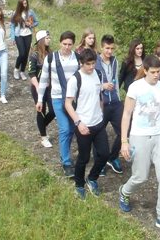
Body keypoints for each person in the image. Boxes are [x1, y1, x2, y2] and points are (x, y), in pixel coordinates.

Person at [118, 55, 160, 237]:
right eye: (153, 72)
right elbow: (127, 114)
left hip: (159, 135)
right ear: (145, 70)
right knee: (141, 176)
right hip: (139, 136)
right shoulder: (135, 87)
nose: (157, 75)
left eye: (159, 71)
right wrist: (124, 141)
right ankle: (124, 192)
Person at [64, 48, 110, 199]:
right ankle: (79, 185)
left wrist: (101, 112)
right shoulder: (75, 79)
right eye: (88, 64)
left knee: (104, 154)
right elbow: (68, 104)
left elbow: (97, 93)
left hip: (98, 123)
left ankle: (92, 179)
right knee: (83, 157)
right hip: (83, 124)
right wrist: (78, 123)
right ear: (80, 63)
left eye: (93, 63)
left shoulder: (98, 74)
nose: (91, 67)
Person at [36, 31, 80, 177]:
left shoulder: (77, 59)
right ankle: (66, 161)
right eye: (64, 44)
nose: (67, 47)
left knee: (72, 129)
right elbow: (43, 79)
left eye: (69, 44)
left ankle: (64, 154)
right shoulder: (51, 58)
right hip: (56, 98)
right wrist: (40, 99)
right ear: (60, 43)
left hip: (73, 100)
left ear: (73, 44)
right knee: (65, 129)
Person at [95, 34, 123, 175]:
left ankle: (113, 157)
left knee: (124, 131)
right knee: (99, 133)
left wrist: (118, 97)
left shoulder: (115, 61)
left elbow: (116, 81)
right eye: (107, 48)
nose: (109, 51)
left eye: (112, 48)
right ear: (101, 47)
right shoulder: (94, 61)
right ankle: (99, 163)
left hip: (115, 102)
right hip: (101, 103)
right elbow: (90, 84)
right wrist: (102, 86)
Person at [29, 30, 55, 148]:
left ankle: (41, 127)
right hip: (38, 87)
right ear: (41, 40)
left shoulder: (51, 54)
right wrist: (39, 88)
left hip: (50, 87)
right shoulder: (34, 55)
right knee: (41, 110)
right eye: (47, 38)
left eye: (49, 38)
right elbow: (32, 73)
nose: (49, 39)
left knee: (54, 110)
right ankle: (43, 136)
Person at [10, 0, 39, 81]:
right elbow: (12, 26)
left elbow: (37, 22)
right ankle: (16, 69)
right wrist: (12, 38)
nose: (25, 5)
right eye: (23, 4)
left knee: (26, 54)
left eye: (26, 3)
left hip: (28, 35)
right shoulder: (16, 13)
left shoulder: (30, 12)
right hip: (18, 35)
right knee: (22, 53)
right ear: (20, 5)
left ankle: (22, 71)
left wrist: (31, 24)